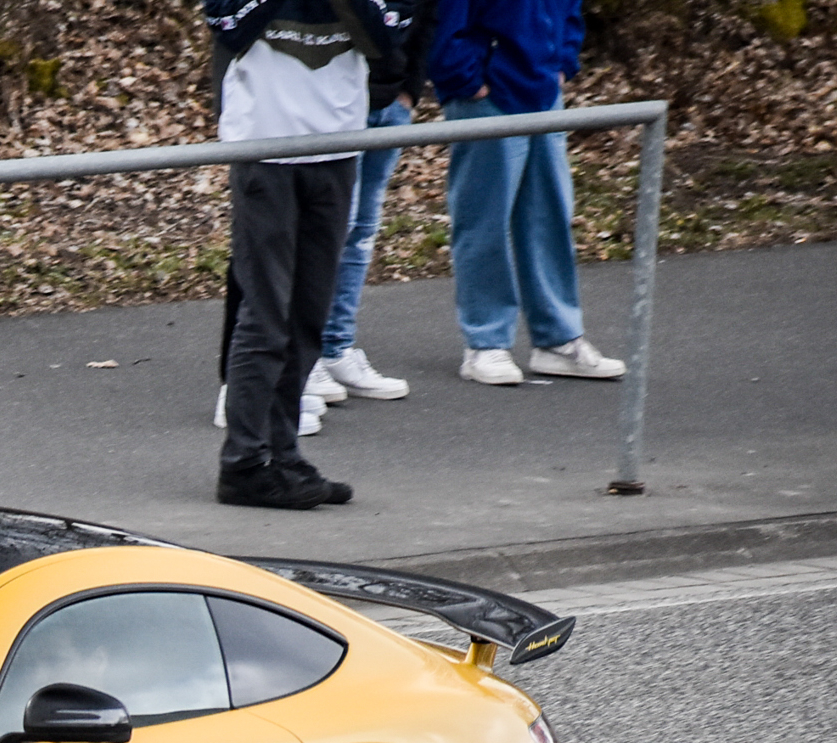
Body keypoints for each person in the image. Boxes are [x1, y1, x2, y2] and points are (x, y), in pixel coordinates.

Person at [204, 0, 405, 510]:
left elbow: (389, 39)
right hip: (264, 151)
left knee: (307, 318)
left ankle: (284, 456)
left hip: (336, 147)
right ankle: (244, 465)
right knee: (265, 316)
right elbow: (227, 25)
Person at [431, 0, 627, 384]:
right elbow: (444, 19)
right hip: (488, 95)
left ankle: (557, 339)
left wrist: (563, 63)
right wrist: (466, 79)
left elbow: (568, 10)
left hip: (542, 90)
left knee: (548, 215)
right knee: (484, 219)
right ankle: (485, 344)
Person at [315, 0, 436, 403]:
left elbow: (426, 15)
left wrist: (409, 91)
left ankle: (336, 348)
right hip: (337, 103)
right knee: (330, 230)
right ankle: (307, 354)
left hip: (391, 103)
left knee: (362, 230)